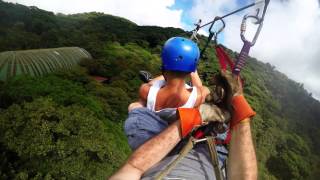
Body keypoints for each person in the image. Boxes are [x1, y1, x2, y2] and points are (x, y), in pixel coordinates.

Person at [110, 71, 257, 180]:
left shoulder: (148, 90)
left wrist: (195, 117)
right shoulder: (198, 93)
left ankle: (216, 110)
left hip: (159, 151)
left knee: (135, 106)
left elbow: (134, 167)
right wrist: (238, 104)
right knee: (136, 107)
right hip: (209, 149)